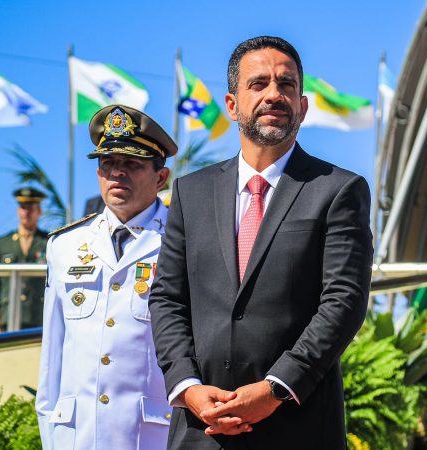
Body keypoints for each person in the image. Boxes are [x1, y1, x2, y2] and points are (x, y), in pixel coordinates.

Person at [149, 36, 373, 449]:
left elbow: (343, 302)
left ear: (303, 106)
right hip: (202, 430)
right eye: (259, 84)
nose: (274, 94)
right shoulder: (189, 193)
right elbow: (167, 298)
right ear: (232, 104)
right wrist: (187, 385)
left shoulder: (338, 190)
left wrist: (274, 388)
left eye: (286, 85)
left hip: (299, 427)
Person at [36, 105, 177, 450]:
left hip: (152, 435)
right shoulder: (64, 245)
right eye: (108, 164)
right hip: (75, 434)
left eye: (131, 164)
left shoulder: (183, 240)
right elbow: (52, 358)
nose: (117, 174)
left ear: (161, 178)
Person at [0, 187, 48, 332]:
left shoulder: (48, 241)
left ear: (39, 211)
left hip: (38, 317)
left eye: (31, 208)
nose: (26, 212)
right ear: (17, 211)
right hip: (7, 318)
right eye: (22, 207)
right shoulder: (4, 243)